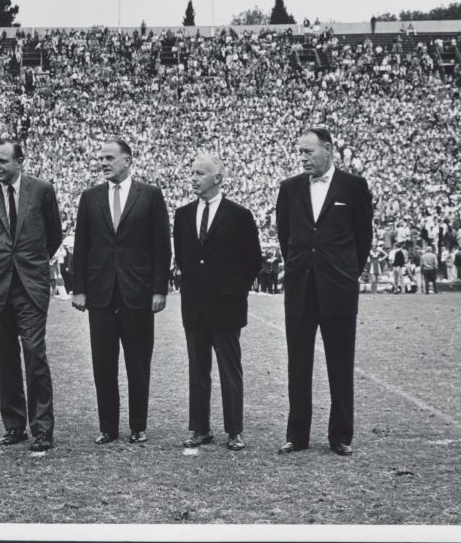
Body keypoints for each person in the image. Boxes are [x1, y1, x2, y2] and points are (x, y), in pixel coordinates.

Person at [275, 127, 373, 456]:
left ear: (328, 150)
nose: (302, 158)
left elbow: (363, 238)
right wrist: (301, 269)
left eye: (308, 152)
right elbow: (285, 235)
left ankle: (340, 436)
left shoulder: (354, 186)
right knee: (298, 364)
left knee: (340, 363)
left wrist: (345, 274)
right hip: (301, 287)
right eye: (299, 152)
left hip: (339, 289)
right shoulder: (289, 188)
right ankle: (297, 435)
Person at [72, 139, 171, 445]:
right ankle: (107, 427)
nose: (103, 162)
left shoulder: (150, 195)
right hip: (101, 293)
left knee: (138, 363)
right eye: (100, 158)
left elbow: (160, 246)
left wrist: (158, 290)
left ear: (127, 160)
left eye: (109, 157)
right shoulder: (90, 197)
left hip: (137, 293)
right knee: (103, 363)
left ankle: (138, 425)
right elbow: (82, 246)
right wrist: (79, 290)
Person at [0, 139, 62, 452]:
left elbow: (54, 235)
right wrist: (1, 265)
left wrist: (28, 264)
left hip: (30, 288)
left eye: (3, 161)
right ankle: (14, 426)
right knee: (5, 359)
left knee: (35, 355)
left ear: (20, 161)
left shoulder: (42, 190)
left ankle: (42, 429)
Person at [173, 154, 261, 451]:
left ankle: (234, 430)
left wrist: (232, 290)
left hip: (227, 306)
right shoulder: (183, 214)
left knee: (229, 370)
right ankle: (199, 428)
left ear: (218, 178)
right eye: (192, 172)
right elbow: (184, 258)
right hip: (194, 305)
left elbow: (253, 261)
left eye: (200, 173)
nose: (194, 178)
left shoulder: (239, 215)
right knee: (198, 369)